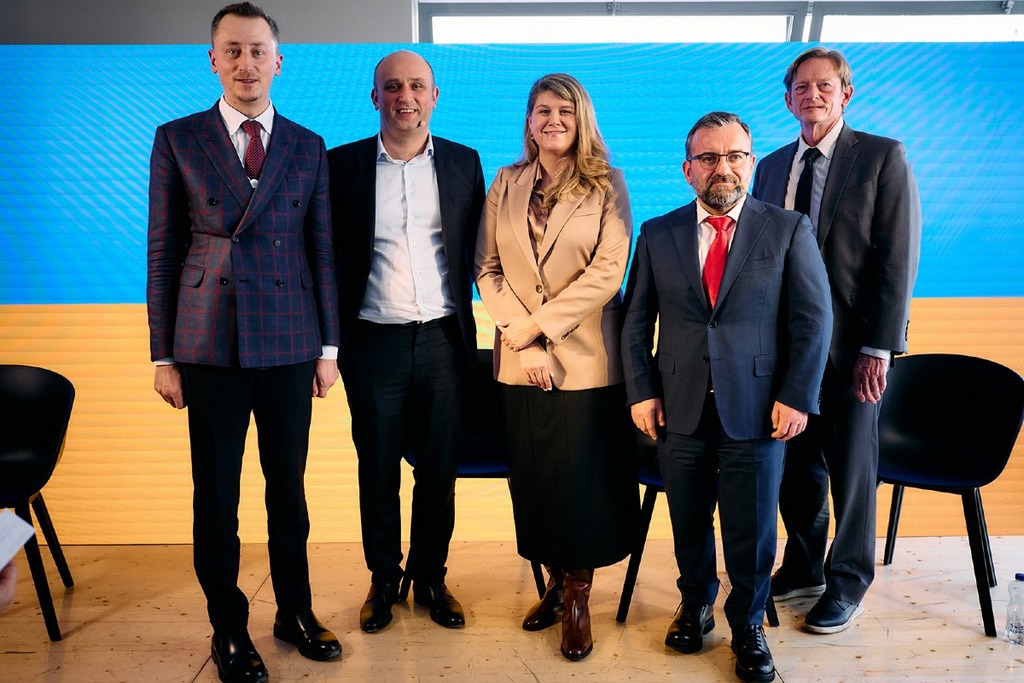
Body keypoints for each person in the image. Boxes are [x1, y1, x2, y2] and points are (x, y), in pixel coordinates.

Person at [146, 4, 342, 681]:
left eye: (257, 51)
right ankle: (228, 627)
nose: (246, 63)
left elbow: (322, 248)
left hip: (291, 339)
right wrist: (163, 355)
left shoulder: (308, 144)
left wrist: (329, 349)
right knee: (216, 496)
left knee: (288, 491)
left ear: (278, 61)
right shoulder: (177, 138)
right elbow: (163, 250)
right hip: (208, 343)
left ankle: (295, 611)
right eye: (232, 50)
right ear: (213, 60)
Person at [621, 112, 831, 683]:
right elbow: (635, 322)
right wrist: (641, 392)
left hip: (760, 409)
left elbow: (813, 321)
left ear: (751, 163)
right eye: (709, 158)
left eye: (736, 156)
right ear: (688, 169)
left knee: (753, 528)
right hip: (678, 406)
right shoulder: (658, 233)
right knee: (688, 520)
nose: (724, 168)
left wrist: (797, 396)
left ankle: (748, 623)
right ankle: (695, 605)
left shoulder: (787, 228)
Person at [751, 47, 921, 635]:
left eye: (825, 85)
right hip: (785, 348)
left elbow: (897, 257)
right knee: (795, 466)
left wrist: (880, 347)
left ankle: (847, 580)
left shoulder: (881, 156)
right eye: (802, 87)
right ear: (788, 98)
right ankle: (803, 566)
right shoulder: (771, 166)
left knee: (852, 469)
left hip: (853, 349)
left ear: (846, 93)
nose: (813, 95)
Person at [475, 73, 639, 662]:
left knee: (582, 484)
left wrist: (539, 327)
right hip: (520, 362)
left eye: (565, 112)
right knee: (535, 481)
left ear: (582, 120)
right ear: (529, 120)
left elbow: (608, 272)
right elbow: (487, 268)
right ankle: (551, 582)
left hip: (587, 361)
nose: (553, 121)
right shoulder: (506, 181)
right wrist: (523, 341)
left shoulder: (607, 184)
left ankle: (577, 597)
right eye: (543, 111)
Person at [327, 50, 485, 634]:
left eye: (417, 86)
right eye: (392, 87)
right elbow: (324, 258)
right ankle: (382, 580)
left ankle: (431, 578)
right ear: (375, 97)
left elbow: (482, 252)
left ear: (434, 96)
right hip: (372, 343)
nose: (405, 97)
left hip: (445, 340)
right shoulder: (340, 165)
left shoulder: (464, 162)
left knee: (439, 470)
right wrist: (326, 347)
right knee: (377, 470)